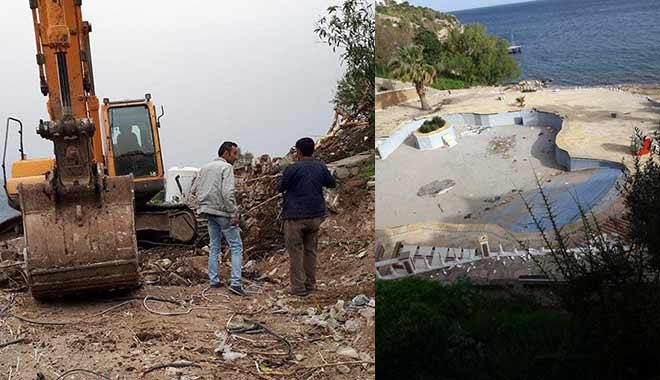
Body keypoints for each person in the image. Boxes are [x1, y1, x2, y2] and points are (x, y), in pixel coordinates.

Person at [277, 137, 336, 296]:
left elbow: (280, 187)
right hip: (315, 215)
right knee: (310, 252)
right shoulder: (321, 167)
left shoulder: (293, 168)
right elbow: (332, 183)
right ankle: (311, 285)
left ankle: (298, 288)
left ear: (299, 151)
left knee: (296, 252)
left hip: (295, 216)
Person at [192, 141, 246, 296]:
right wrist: (234, 213)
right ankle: (236, 283)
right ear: (226, 153)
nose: (236, 157)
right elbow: (228, 193)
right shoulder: (226, 168)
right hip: (223, 212)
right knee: (236, 247)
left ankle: (214, 280)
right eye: (234, 153)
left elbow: (195, 189)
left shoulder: (205, 168)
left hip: (208, 211)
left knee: (214, 246)